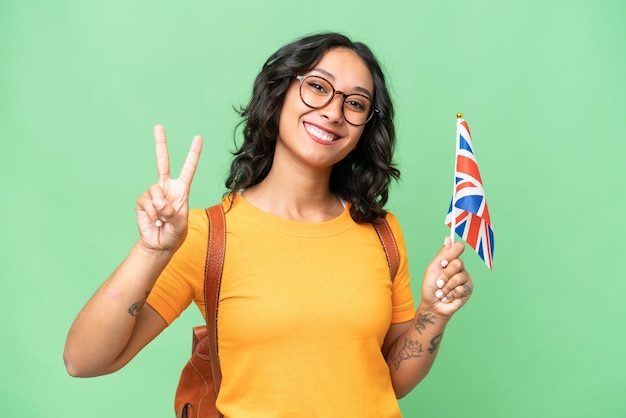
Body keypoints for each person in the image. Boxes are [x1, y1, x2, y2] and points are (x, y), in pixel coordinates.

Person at [64, 32, 473, 417]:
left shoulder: (383, 232)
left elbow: (393, 381)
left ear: (365, 127)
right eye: (317, 86)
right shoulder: (206, 235)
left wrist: (434, 313)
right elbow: (83, 361)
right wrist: (151, 250)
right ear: (278, 94)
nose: (333, 111)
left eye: (356, 103)